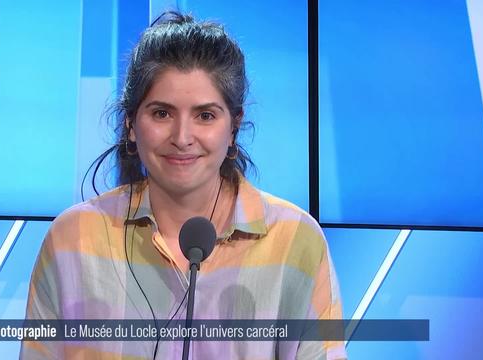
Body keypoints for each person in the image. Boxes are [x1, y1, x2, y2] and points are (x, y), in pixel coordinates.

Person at [21, 11, 346, 359]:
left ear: (233, 126)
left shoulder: (296, 240)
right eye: (162, 113)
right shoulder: (73, 238)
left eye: (205, 116)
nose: (182, 138)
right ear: (131, 123)